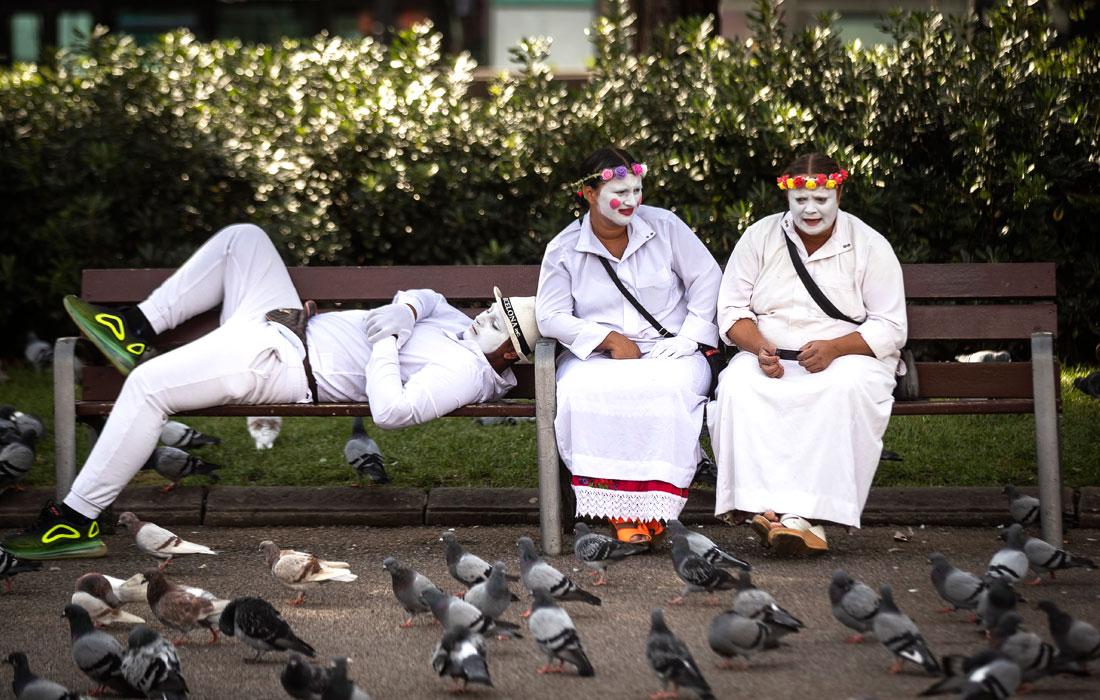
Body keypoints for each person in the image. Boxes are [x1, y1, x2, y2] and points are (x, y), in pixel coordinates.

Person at [1, 223, 540, 560]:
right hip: (278, 322)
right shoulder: (461, 326)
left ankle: (74, 520)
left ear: (509, 353)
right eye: (494, 306)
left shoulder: (467, 373)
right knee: (245, 238)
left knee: (146, 386)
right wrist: (410, 308)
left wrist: (387, 342)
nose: (485, 313)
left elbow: (394, 412)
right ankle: (134, 326)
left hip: (280, 364)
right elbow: (428, 296)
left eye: (498, 320)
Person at [708, 153, 907, 555]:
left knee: (839, 389)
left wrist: (836, 348)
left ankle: (804, 516)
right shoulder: (760, 236)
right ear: (788, 196)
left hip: (851, 356)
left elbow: (891, 326)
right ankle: (765, 508)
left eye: (820, 199)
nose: (810, 209)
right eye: (800, 199)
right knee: (739, 386)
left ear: (839, 191)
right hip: (771, 354)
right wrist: (758, 347)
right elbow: (730, 311)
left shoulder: (869, 244)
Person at [536, 147, 722, 545]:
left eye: (637, 190)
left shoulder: (666, 226)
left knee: (663, 389)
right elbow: (550, 315)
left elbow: (707, 278)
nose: (632, 201)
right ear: (588, 193)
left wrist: (690, 336)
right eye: (620, 192)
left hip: (671, 350)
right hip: (599, 357)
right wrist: (605, 339)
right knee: (583, 392)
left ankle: (657, 507)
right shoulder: (563, 248)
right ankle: (621, 511)